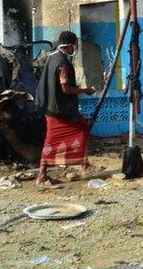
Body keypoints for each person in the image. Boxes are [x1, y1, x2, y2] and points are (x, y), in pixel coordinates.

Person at [35, 31, 97, 186]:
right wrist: (85, 91)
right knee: (83, 129)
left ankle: (43, 174)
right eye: (73, 46)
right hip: (62, 110)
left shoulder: (51, 58)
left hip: (50, 107)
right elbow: (66, 89)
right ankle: (84, 165)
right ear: (69, 46)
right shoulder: (63, 63)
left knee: (50, 140)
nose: (74, 49)